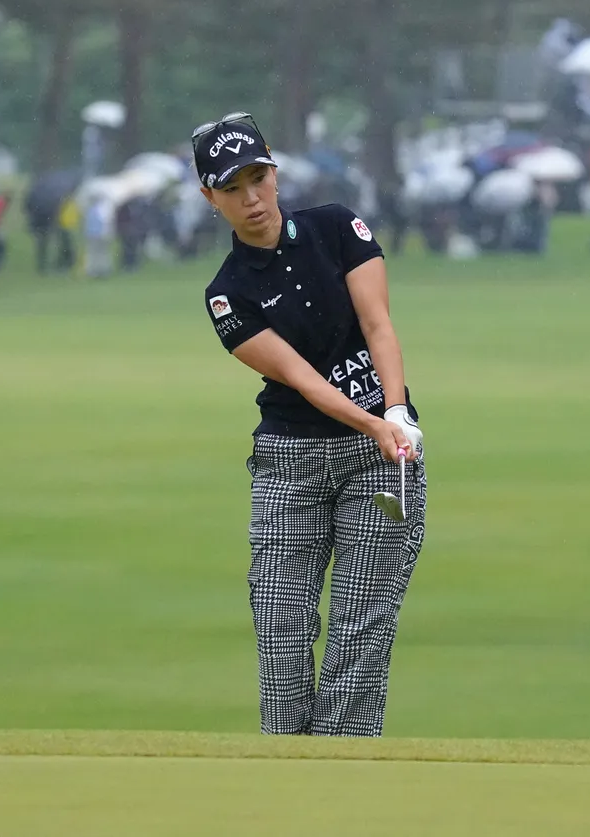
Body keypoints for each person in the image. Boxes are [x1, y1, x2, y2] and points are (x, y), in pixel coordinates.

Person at [196, 111, 426, 738]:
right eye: (231, 188)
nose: (251, 198)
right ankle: (284, 773)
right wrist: (375, 422)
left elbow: (377, 324)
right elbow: (304, 379)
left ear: (275, 171)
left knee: (358, 634)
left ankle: (343, 781)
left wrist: (395, 411)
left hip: (380, 463)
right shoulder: (227, 293)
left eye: (258, 178)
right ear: (210, 198)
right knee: (281, 628)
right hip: (289, 463)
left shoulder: (337, 228)